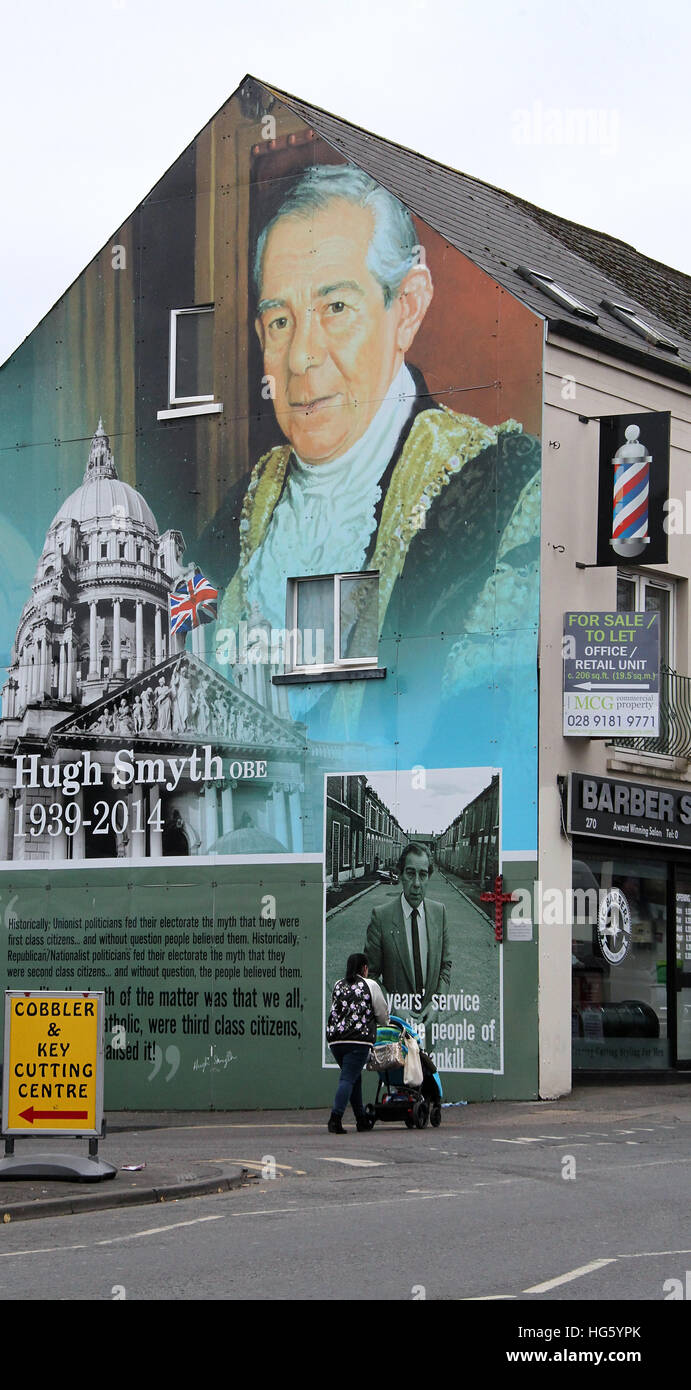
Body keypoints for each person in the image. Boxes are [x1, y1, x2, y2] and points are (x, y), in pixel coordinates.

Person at [214, 163, 540, 736]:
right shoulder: (239, 512)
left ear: (407, 308)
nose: (300, 358)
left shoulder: (502, 491)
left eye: (336, 309)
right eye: (280, 321)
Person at [365, 842, 451, 1022]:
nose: (417, 884)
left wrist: (436, 1003)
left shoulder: (440, 913)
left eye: (423, 875)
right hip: (395, 1028)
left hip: (428, 1026)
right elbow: (369, 976)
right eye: (411, 874)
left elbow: (445, 966)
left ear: (429, 877)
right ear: (400, 874)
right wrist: (394, 1008)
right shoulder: (381, 917)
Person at [325, 951, 388, 1133]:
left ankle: (361, 1119)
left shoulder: (338, 985)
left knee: (353, 1077)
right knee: (347, 1079)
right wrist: (383, 1022)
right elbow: (382, 1013)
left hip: (336, 1041)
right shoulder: (370, 984)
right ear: (365, 968)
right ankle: (335, 1119)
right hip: (358, 1041)